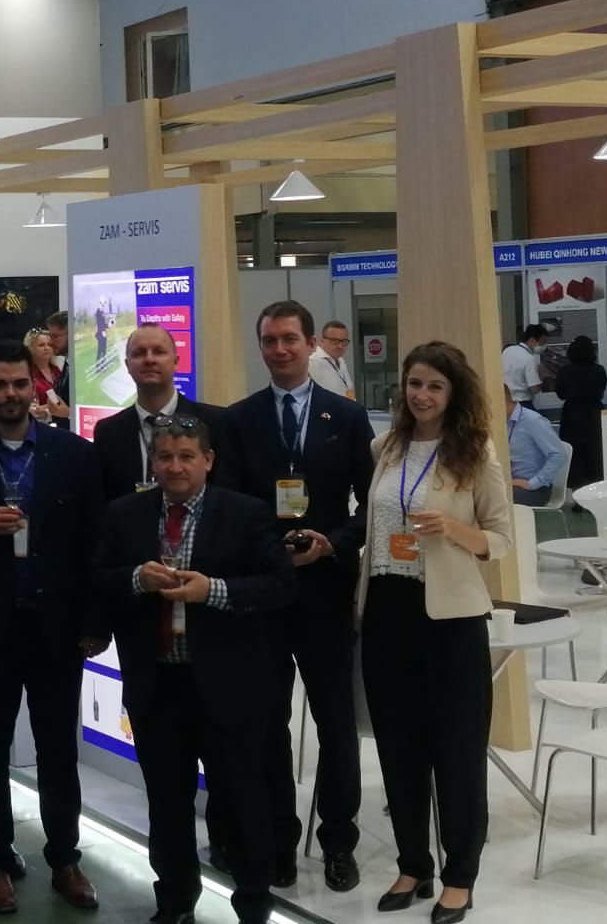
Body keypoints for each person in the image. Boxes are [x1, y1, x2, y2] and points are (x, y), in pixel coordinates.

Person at [90, 416, 295, 924]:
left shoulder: (245, 513)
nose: (175, 467)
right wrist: (136, 579)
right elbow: (96, 580)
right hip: (157, 686)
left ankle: (253, 904)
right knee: (167, 803)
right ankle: (176, 902)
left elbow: (280, 585)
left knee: (243, 801)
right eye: (165, 457)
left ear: (208, 461)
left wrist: (213, 591)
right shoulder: (125, 514)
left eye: (186, 456)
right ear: (152, 462)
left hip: (229, 687)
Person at [0, 339, 104, 913]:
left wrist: (93, 620)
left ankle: (65, 858)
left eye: (20, 384)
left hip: (56, 628)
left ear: (36, 388)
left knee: (58, 751)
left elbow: (94, 543)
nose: (10, 393)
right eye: (0, 384)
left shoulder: (73, 454)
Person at [358, 342, 511, 924]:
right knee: (398, 748)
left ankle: (460, 876)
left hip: (450, 618)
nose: (421, 395)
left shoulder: (475, 452)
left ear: (454, 393)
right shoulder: (386, 446)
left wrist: (452, 528)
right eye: (414, 383)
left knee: (457, 753)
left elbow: (500, 539)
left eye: (434, 386)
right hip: (385, 610)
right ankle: (413, 864)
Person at [227, 301, 373, 891]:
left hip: (327, 590)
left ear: (311, 344)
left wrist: (332, 543)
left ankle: (338, 841)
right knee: (268, 723)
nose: (280, 350)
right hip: (264, 594)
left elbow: (373, 505)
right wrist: (271, 552)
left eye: (290, 339)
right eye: (270, 340)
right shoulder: (239, 420)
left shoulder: (348, 417)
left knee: (335, 721)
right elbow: (231, 508)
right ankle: (277, 841)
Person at [93, 325, 238, 500]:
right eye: (139, 353)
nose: (149, 359)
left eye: (159, 352)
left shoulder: (216, 422)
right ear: (127, 365)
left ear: (176, 362)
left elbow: (228, 494)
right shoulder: (108, 431)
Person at [555, 335, 607, 491]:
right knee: (595, 451)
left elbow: (560, 394)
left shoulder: (565, 371)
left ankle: (578, 491)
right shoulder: (599, 370)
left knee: (575, 453)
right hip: (594, 413)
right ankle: (597, 488)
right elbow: (601, 391)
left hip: (572, 414)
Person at [504, 383, 566, 506]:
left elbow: (558, 454)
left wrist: (533, 483)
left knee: (494, 498)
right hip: (509, 482)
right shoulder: (501, 421)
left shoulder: (532, 420)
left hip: (534, 489)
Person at [25, 329, 70, 428]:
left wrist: (46, 408)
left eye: (50, 345)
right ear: (31, 348)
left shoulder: (58, 369)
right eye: (41, 345)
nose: (47, 348)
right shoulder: (27, 372)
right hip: (38, 424)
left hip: (60, 422)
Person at [309, 321, 356, 400]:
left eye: (344, 341)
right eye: (335, 341)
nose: (340, 346)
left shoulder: (341, 361)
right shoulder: (312, 362)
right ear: (322, 340)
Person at [501, 324, 546, 404]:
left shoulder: (507, 350)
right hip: (522, 401)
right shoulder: (529, 358)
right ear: (532, 340)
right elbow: (535, 389)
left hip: (505, 400)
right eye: (542, 342)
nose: (544, 346)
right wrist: (541, 375)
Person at [46, 310, 71, 404]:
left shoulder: (81, 366)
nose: (50, 342)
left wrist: (67, 412)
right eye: (50, 336)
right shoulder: (67, 362)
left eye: (55, 336)